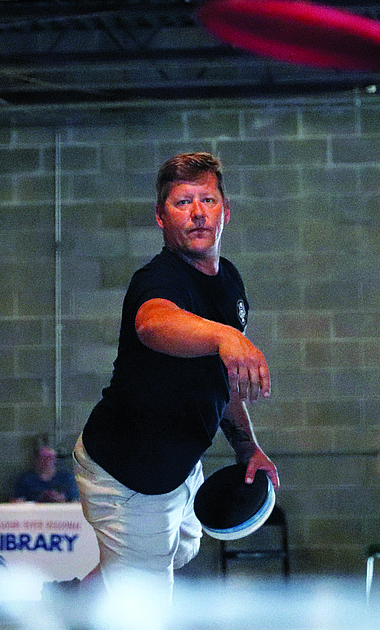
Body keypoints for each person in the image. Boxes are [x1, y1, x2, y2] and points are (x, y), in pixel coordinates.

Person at [73, 152, 278, 601]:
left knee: (182, 547)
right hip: (130, 476)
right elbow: (154, 323)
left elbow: (219, 386)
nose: (198, 212)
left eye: (208, 199)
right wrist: (226, 336)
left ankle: (81, 591)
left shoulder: (229, 282)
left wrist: (248, 448)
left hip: (181, 469)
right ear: (161, 219)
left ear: (226, 211)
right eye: (183, 202)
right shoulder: (159, 279)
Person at [12, 440, 79, 503]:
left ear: (55, 459)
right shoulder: (26, 480)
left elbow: (77, 502)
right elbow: (16, 502)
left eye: (49, 457)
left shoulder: (67, 478)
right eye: (43, 457)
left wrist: (62, 498)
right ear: (37, 459)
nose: (46, 461)